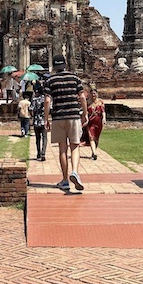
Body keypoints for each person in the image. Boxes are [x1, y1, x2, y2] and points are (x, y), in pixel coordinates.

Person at [44, 54, 88, 191]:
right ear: (65, 64)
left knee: (62, 148)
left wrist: (46, 118)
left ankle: (64, 180)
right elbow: (82, 97)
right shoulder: (75, 78)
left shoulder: (50, 80)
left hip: (58, 117)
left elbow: (47, 101)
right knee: (75, 146)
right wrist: (85, 114)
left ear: (55, 66)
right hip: (74, 115)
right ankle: (75, 172)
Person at [84, 86, 105, 160]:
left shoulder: (101, 101)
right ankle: (94, 153)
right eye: (92, 93)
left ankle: (94, 151)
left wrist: (104, 119)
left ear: (97, 94)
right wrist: (86, 119)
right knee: (91, 137)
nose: (93, 95)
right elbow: (85, 112)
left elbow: (103, 111)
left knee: (96, 138)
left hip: (99, 122)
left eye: (94, 93)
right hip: (91, 122)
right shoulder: (88, 102)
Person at [30, 83, 47, 161]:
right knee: (44, 138)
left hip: (36, 121)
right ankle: (43, 153)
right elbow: (50, 108)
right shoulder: (46, 99)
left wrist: (32, 115)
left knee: (37, 138)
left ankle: (38, 153)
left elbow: (31, 109)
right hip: (44, 120)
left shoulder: (34, 99)